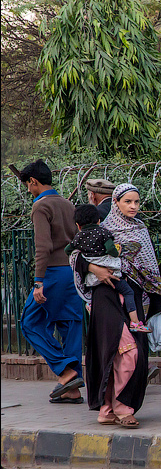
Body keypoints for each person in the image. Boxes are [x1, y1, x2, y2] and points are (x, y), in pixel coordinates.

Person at [70, 184, 161, 428]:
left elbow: (149, 267)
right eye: (128, 202)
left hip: (133, 299)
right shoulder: (102, 230)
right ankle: (116, 408)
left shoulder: (141, 230)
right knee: (118, 350)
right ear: (116, 203)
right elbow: (74, 256)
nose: (133, 207)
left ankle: (114, 407)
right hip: (105, 297)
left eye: (137, 202)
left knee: (130, 352)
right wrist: (95, 268)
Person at [16, 159, 85, 404]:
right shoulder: (67, 203)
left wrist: (38, 281)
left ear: (34, 182)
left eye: (28, 185)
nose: (28, 190)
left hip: (53, 273)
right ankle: (73, 390)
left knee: (30, 322)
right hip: (73, 272)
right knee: (70, 325)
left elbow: (43, 247)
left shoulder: (40, 206)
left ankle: (66, 371)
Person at [66, 204, 151, 333]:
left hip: (91, 278)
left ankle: (90, 303)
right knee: (128, 292)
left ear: (78, 225)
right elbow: (111, 249)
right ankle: (135, 322)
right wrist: (117, 252)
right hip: (112, 274)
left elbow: (68, 250)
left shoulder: (78, 237)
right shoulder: (103, 232)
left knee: (93, 293)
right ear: (99, 220)